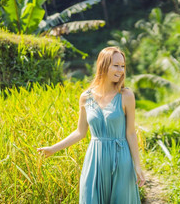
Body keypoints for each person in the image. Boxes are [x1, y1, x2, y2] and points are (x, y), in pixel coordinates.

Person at [37, 46, 145, 203]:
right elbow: (80, 132)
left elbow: (130, 133)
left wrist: (137, 166)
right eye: (116, 65)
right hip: (95, 160)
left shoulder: (126, 95)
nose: (120, 70)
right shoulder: (86, 97)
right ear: (103, 65)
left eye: (122, 66)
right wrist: (52, 149)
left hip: (121, 159)